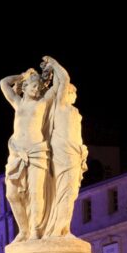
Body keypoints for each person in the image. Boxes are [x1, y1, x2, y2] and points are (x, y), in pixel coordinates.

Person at [0, 66, 57, 240]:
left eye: (39, 86)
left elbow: (58, 85)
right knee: (12, 194)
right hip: (17, 153)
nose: (36, 89)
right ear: (24, 87)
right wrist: (22, 76)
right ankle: (24, 230)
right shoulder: (18, 103)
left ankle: (35, 231)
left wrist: (53, 67)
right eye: (33, 85)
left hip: (37, 151)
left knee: (35, 192)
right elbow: (4, 83)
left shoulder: (42, 103)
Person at [41, 56, 88, 237]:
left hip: (74, 152)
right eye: (72, 92)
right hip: (63, 151)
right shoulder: (60, 106)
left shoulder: (74, 111)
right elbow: (64, 79)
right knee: (64, 190)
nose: (74, 95)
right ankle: (58, 229)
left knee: (71, 192)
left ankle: (64, 227)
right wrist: (53, 64)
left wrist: (82, 150)